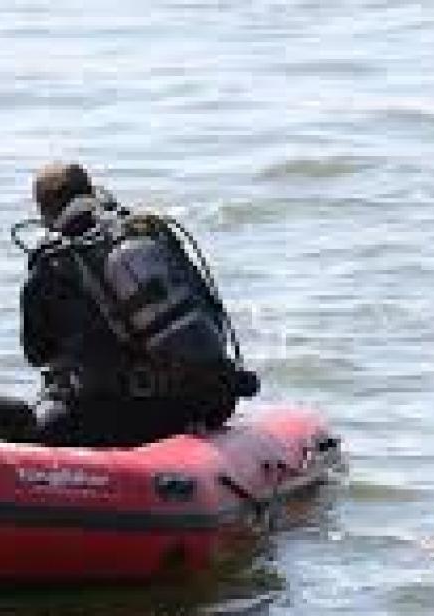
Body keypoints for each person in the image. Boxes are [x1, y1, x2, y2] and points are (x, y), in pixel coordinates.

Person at [19, 162, 259, 447]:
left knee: (33, 429)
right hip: (214, 399)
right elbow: (210, 306)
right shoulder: (150, 232)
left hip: (138, 416)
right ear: (91, 191)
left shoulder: (51, 264)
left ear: (45, 211)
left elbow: (37, 353)